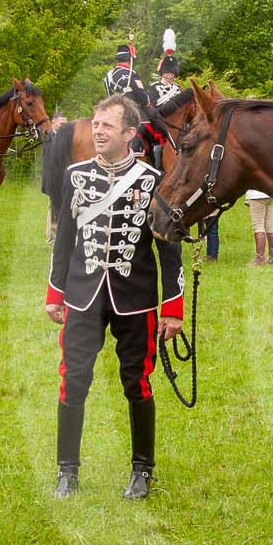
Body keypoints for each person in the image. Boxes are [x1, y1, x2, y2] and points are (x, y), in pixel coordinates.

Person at [47, 93, 185, 500]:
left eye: (107, 125)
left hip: (135, 299)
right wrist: (56, 292)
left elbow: (169, 250)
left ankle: (142, 470)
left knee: (137, 383)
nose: (98, 131)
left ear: (129, 133)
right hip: (83, 297)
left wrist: (172, 309)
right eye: (96, 123)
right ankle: (66, 471)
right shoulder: (75, 177)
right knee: (72, 382)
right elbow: (64, 241)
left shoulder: (151, 182)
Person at [247, 189, 273, 265]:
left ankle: (260, 259)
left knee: (258, 226)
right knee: (270, 225)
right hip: (271, 194)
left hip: (256, 195)